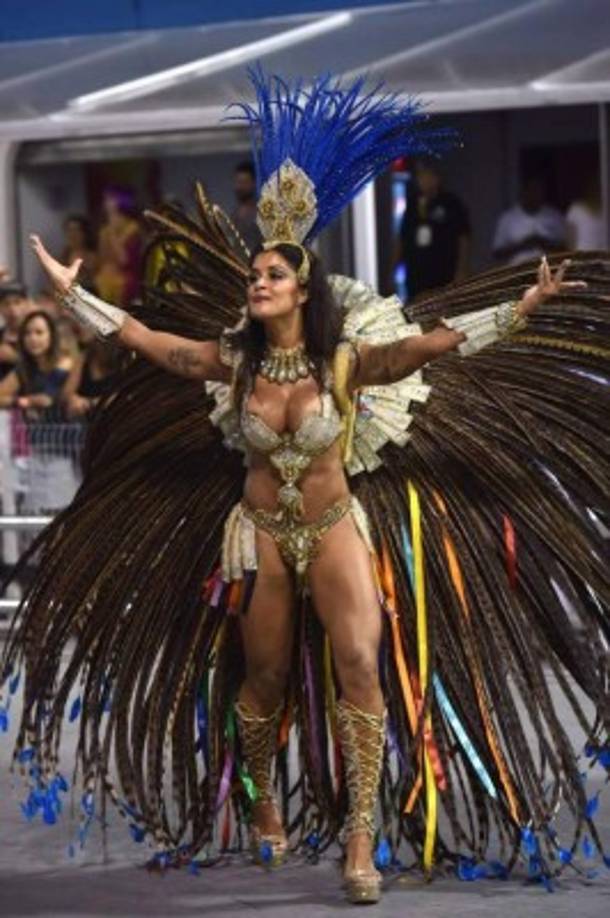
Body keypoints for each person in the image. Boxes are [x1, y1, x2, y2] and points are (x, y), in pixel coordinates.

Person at [1, 71, 608, 907]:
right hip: (258, 534)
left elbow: (431, 346)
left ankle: (360, 835)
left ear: (301, 289)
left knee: (360, 663)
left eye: (271, 275)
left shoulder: (345, 363)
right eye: (253, 274)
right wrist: (72, 296)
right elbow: (149, 341)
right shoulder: (234, 363)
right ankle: (261, 798)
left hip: (332, 527)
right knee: (261, 680)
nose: (256, 282)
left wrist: (523, 305)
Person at [0, 311, 78, 514]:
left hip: (69, 449)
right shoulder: (23, 370)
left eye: (39, 332)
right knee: (36, 511)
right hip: (35, 449)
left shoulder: (67, 363)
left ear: (51, 335)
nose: (33, 338)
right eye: (27, 333)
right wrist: (23, 401)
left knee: (65, 508)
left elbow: (52, 398)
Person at [395, 158, 471, 298]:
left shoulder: (451, 203)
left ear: (436, 178)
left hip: (443, 272)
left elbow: (463, 238)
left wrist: (461, 269)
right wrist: (393, 268)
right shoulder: (412, 204)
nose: (421, 180)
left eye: (425, 175)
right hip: (416, 274)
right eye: (419, 176)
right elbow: (402, 237)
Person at [493, 174, 567, 266]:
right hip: (517, 269)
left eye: (539, 190)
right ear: (523, 192)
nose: (535, 194)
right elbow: (497, 253)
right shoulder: (508, 218)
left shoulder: (554, 216)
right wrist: (522, 245)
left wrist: (542, 243)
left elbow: (566, 248)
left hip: (549, 269)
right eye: (532, 190)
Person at [95, 186, 143, 306]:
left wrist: (112, 233)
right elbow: (102, 259)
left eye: (109, 199)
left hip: (125, 281)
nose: (105, 203)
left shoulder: (133, 228)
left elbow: (124, 260)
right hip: (106, 280)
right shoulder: (104, 230)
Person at [0, 281, 33, 380]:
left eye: (17, 302)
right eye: (6, 304)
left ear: (27, 304)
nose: (12, 309)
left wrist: (15, 358)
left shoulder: (37, 334)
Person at [566, 173, 605, 251]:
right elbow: (570, 241)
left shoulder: (606, 209)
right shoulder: (576, 209)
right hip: (582, 257)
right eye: (593, 186)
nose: (596, 189)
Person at [61, 214, 99, 293]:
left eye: (76, 230)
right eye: (69, 230)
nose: (72, 234)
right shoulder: (64, 255)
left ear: (84, 233)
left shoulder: (92, 256)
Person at [231, 160, 263, 253]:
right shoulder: (234, 215)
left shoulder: (261, 214)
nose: (239, 187)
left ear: (254, 183)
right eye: (238, 182)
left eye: (244, 182)